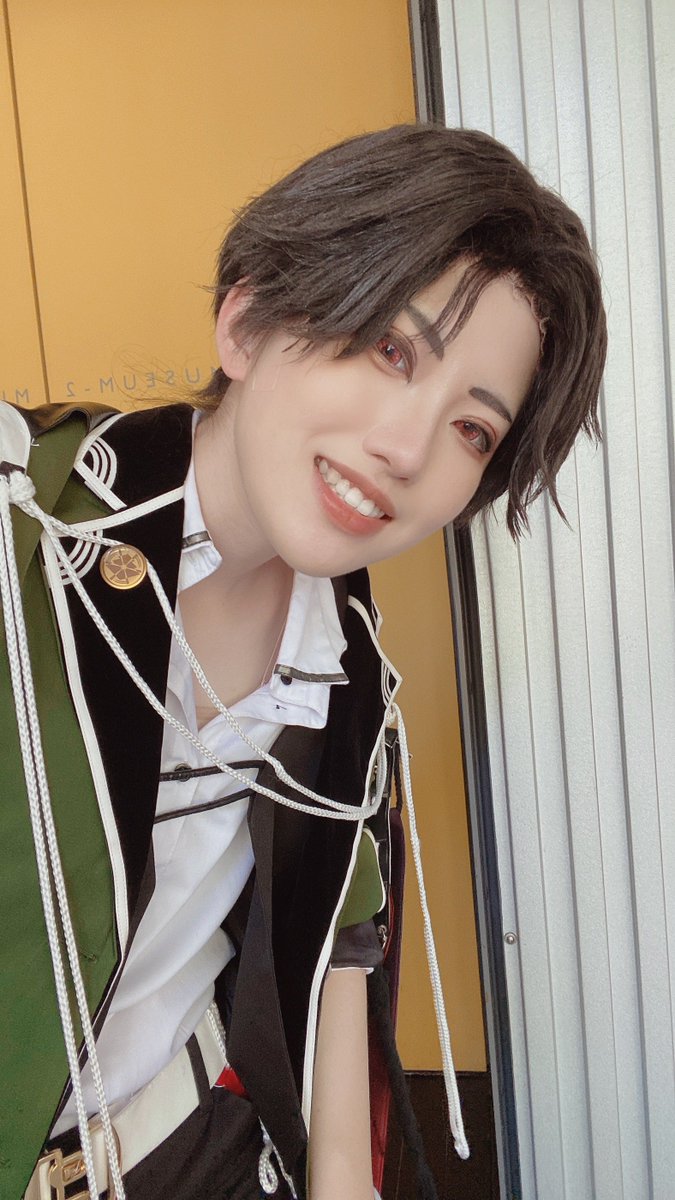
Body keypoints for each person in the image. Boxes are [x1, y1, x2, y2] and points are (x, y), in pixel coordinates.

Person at [0, 123, 606, 1200]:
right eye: (390, 351)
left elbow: (339, 923)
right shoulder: (26, 535)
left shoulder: (346, 661)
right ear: (246, 321)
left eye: (472, 431)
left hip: (183, 1152)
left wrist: (339, 1178)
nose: (407, 450)